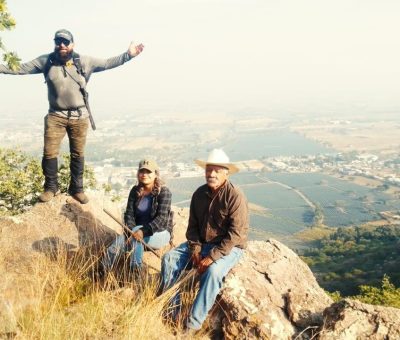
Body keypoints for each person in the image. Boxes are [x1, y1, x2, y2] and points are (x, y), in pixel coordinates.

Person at [0, 29, 144, 204]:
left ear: (72, 44)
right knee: (49, 153)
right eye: (58, 41)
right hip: (55, 115)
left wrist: (127, 55)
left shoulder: (83, 61)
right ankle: (51, 188)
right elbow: (19, 69)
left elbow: (107, 63)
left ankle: (77, 188)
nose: (62, 45)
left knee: (78, 154)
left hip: (79, 116)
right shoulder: (46, 61)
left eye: (65, 42)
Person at [160, 148, 249, 332]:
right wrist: (196, 250)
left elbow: (236, 234)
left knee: (214, 272)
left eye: (217, 170)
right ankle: (173, 313)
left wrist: (212, 256)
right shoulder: (199, 194)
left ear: (226, 173)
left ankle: (192, 324)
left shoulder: (235, 196)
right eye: (209, 169)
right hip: (202, 244)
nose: (212, 174)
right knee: (169, 259)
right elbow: (192, 228)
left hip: (229, 247)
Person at [103, 159, 173, 273]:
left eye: (148, 172)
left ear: (155, 174)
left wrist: (142, 231)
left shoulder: (163, 192)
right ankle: (101, 271)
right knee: (116, 245)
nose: (144, 175)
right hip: (136, 234)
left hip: (160, 234)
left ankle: (135, 270)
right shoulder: (135, 191)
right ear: (138, 174)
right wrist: (131, 232)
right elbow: (129, 215)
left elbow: (162, 219)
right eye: (142, 171)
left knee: (136, 234)